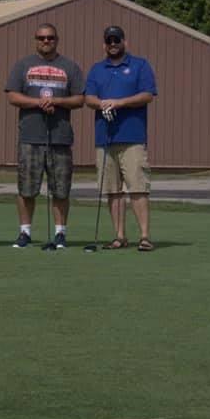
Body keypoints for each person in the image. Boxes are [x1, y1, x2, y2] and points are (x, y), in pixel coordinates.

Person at [5, 23, 85, 249]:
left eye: (50, 37)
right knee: (26, 188)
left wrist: (57, 101)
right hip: (30, 137)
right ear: (36, 40)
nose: (46, 41)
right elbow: (12, 96)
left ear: (56, 40)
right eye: (41, 38)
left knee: (60, 189)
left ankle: (60, 233)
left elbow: (79, 99)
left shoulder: (69, 66)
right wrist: (38, 103)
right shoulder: (23, 65)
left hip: (60, 137)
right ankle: (25, 232)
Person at [84, 25, 158, 252]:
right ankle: (119, 236)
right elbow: (89, 98)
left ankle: (144, 236)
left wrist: (119, 103)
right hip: (105, 139)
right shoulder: (97, 69)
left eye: (117, 40)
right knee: (112, 190)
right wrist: (102, 104)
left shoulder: (140, 65)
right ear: (104, 44)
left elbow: (147, 95)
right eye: (109, 41)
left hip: (132, 137)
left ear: (125, 42)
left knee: (137, 187)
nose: (113, 44)